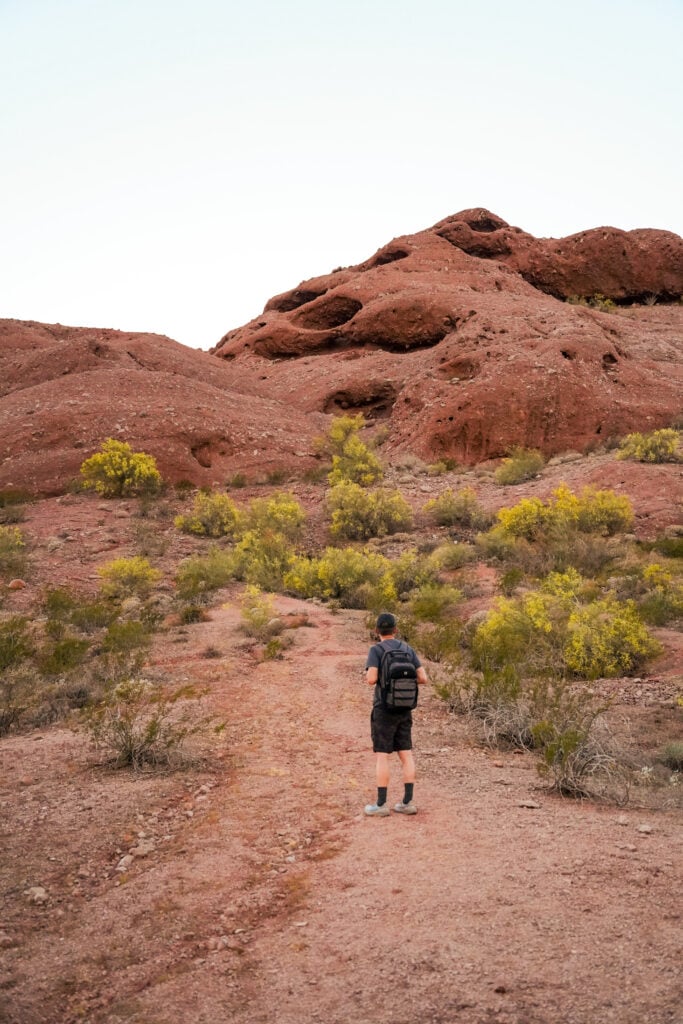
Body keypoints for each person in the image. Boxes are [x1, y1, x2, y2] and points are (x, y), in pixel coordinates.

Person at [364, 612, 428, 817]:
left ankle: (381, 804)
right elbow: (423, 678)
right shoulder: (407, 649)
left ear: (376, 631)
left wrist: (387, 681)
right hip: (405, 708)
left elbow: (371, 679)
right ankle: (407, 802)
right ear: (395, 630)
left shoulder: (376, 650)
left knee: (382, 756)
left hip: (384, 709)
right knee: (406, 754)